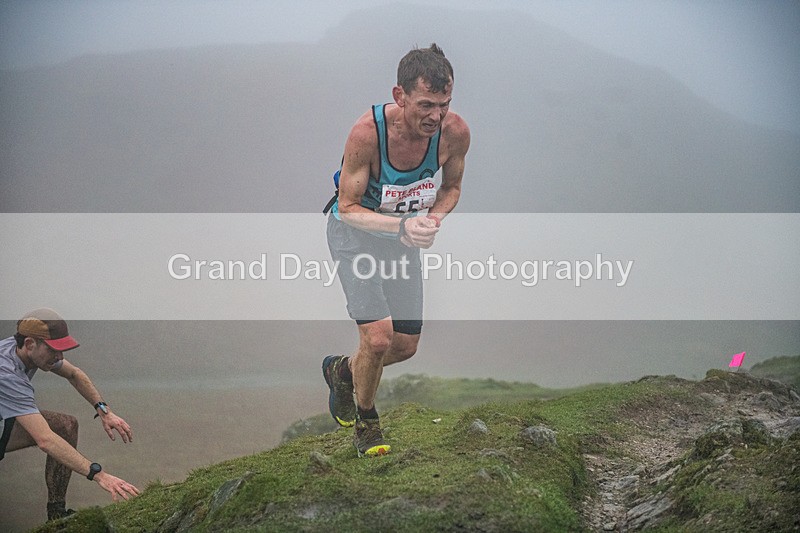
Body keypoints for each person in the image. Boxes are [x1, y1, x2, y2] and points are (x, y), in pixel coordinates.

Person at [322, 43, 470, 457]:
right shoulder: (366, 134)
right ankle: (367, 425)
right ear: (399, 95)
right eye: (425, 104)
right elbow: (347, 208)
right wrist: (404, 224)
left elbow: (452, 188)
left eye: (443, 104)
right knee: (379, 338)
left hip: (402, 241)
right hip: (354, 236)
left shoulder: (455, 132)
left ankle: (342, 372)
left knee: (405, 345)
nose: (435, 116)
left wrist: (433, 219)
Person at [0, 308, 140, 520]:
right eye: (53, 350)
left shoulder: (21, 348)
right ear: (30, 344)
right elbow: (45, 440)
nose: (59, 357)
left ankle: (56, 516)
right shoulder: (7, 374)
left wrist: (104, 411)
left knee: (65, 426)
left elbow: (74, 374)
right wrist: (100, 475)